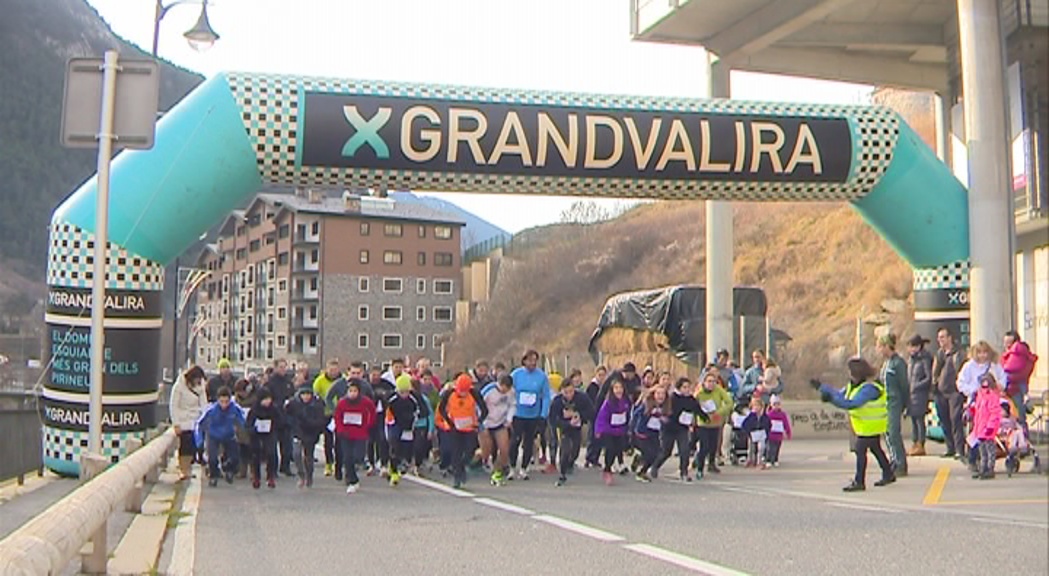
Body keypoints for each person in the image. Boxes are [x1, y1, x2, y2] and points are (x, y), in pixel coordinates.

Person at [814, 357, 896, 492]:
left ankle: (859, 481)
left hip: (870, 425)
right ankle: (888, 473)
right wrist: (822, 388)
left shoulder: (869, 388)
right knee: (875, 448)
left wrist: (831, 400)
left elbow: (852, 404)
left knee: (860, 450)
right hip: (868, 425)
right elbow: (841, 395)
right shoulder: (854, 386)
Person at [438, 374, 488, 489]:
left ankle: (462, 467)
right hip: (454, 428)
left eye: (465, 391)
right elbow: (441, 409)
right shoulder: (449, 394)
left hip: (470, 427)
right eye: (461, 391)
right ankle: (457, 476)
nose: (463, 394)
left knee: (470, 451)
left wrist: (478, 422)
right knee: (456, 452)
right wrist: (450, 422)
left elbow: (484, 410)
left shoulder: (474, 394)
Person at [509, 350, 552, 480]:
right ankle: (512, 467)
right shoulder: (516, 375)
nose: (532, 363)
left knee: (529, 442)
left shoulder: (542, 376)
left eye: (534, 360)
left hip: (533, 415)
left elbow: (546, 396)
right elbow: (509, 392)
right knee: (515, 441)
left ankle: (524, 468)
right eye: (529, 360)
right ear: (524, 361)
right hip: (518, 413)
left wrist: (543, 415)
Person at [195, 387, 246, 487]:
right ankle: (213, 476)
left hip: (229, 435)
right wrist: (199, 441)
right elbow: (199, 424)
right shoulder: (211, 410)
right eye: (221, 402)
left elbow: (243, 420)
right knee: (212, 458)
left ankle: (227, 468)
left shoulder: (235, 408)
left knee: (235, 457)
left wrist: (247, 430)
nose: (224, 405)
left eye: (226, 402)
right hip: (214, 435)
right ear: (218, 400)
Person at [549, 377, 595, 486]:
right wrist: (565, 423)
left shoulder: (582, 398)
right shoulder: (557, 401)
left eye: (571, 392)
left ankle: (570, 463)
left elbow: (591, 412)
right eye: (566, 392)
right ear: (561, 391)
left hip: (577, 428)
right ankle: (562, 474)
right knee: (565, 450)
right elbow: (552, 419)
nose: (569, 395)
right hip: (564, 429)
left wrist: (579, 416)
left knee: (575, 451)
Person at [653, 377, 701, 482]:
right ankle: (655, 466)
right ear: (679, 388)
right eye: (684, 387)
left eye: (688, 387)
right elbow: (665, 411)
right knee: (666, 451)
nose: (687, 389)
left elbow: (697, 410)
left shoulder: (691, 399)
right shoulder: (672, 398)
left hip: (682, 428)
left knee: (685, 450)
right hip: (669, 428)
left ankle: (683, 472)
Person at [876, 333, 910, 477]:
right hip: (885, 402)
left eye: (880, 346)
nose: (878, 350)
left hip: (895, 402)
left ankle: (901, 462)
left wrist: (905, 404)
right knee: (888, 434)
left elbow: (904, 385)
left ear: (886, 346)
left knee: (894, 432)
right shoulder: (886, 363)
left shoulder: (898, 363)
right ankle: (894, 459)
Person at [334, 380, 376, 493]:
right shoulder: (342, 403)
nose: (352, 393)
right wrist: (340, 429)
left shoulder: (365, 402)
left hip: (360, 434)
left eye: (355, 391)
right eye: (350, 391)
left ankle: (356, 468)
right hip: (346, 434)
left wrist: (368, 424)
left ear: (359, 392)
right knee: (347, 457)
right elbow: (337, 417)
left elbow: (372, 412)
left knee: (358, 456)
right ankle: (352, 480)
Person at [170, 365, 209, 481]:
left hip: (195, 420)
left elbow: (204, 404)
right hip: (183, 420)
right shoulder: (179, 386)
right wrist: (176, 423)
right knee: (185, 446)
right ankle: (183, 470)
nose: (199, 382)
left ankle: (188, 469)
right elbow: (174, 406)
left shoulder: (200, 387)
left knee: (193, 446)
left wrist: (203, 418)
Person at [933, 328, 967, 459]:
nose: (940, 340)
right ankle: (950, 447)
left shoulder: (958, 354)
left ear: (949, 338)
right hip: (941, 392)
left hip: (954, 392)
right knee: (944, 420)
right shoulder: (939, 354)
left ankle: (960, 449)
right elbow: (935, 371)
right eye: (939, 338)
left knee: (955, 420)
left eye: (942, 337)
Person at [284, 385, 327, 488]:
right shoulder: (293, 404)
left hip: (311, 433)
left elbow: (321, 420)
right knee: (296, 454)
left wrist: (314, 425)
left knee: (309, 457)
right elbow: (286, 415)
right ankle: (301, 474)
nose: (306, 397)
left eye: (308, 394)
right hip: (297, 432)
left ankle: (309, 476)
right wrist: (292, 424)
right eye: (303, 394)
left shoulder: (317, 405)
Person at [694, 371, 733, 477]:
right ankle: (699, 468)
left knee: (713, 446)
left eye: (714, 381)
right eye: (709, 381)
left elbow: (729, 403)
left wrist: (719, 412)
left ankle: (711, 464)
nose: (711, 384)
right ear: (704, 382)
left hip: (715, 422)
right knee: (704, 446)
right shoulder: (699, 392)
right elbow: (693, 406)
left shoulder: (718, 390)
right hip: (703, 423)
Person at [385, 374, 422, 486]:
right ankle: (394, 471)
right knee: (394, 446)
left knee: (406, 448)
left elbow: (418, 412)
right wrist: (391, 425)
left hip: (407, 427)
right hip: (394, 425)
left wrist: (412, 423)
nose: (404, 395)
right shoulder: (392, 400)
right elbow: (388, 415)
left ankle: (401, 464)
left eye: (406, 392)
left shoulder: (413, 400)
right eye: (402, 392)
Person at [594, 379, 632, 486]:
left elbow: (628, 416)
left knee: (618, 449)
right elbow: (601, 417)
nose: (618, 390)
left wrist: (628, 428)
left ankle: (614, 465)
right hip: (608, 430)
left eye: (620, 388)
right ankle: (607, 469)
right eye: (616, 388)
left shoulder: (626, 401)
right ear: (612, 390)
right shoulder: (608, 403)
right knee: (610, 449)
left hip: (620, 431)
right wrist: (598, 430)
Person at [481, 374, 515, 486]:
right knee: (487, 449)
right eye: (503, 389)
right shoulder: (489, 390)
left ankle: (499, 470)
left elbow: (512, 405)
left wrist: (509, 419)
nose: (505, 392)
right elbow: (478, 405)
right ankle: (482, 462)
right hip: (486, 422)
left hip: (500, 422)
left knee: (504, 448)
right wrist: (480, 422)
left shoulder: (511, 392)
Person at [245, 388, 283, 489]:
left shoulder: (273, 409)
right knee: (255, 455)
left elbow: (280, 421)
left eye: (269, 399)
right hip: (256, 435)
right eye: (265, 399)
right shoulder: (254, 410)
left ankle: (270, 476)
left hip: (269, 433)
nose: (267, 401)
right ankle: (256, 477)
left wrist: (272, 426)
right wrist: (253, 429)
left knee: (271, 453)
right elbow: (248, 424)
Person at [1001, 330, 1038, 433]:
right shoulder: (1013, 354)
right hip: (1015, 388)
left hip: (1015, 389)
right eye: (1005, 342)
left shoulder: (1017, 353)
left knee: (1018, 416)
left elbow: (1010, 369)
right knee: (1015, 416)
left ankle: (1022, 440)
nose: (1006, 345)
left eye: (1009, 343)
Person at [632, 385, 671, 482]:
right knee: (650, 454)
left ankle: (639, 459)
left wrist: (664, 420)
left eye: (663, 394)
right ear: (653, 395)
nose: (660, 396)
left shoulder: (665, 407)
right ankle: (642, 472)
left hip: (654, 433)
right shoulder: (647, 404)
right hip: (642, 433)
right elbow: (635, 414)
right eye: (658, 393)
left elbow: (667, 419)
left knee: (657, 454)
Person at [264, 358, 296, 477]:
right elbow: (266, 398)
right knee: (272, 447)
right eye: (281, 367)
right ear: (276, 367)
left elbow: (293, 396)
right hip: (274, 417)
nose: (283, 369)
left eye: (285, 367)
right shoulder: (270, 383)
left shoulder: (289, 382)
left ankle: (285, 467)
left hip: (287, 417)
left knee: (287, 445)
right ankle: (272, 469)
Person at [313, 359, 342, 478]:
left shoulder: (342, 380)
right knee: (328, 440)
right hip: (326, 414)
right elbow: (315, 395)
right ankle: (329, 463)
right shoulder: (320, 381)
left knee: (339, 441)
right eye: (331, 370)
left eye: (335, 370)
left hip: (339, 413)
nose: (333, 372)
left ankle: (338, 464)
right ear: (327, 369)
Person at [970, 373, 1003, 480]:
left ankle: (990, 469)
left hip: (988, 429)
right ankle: (983, 468)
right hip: (980, 428)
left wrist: (991, 426)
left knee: (990, 450)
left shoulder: (992, 396)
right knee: (982, 451)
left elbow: (995, 413)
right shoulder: (979, 395)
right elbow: (977, 412)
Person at [906, 335, 933, 456]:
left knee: (919, 420)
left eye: (913, 346)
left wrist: (916, 386)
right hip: (911, 395)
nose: (911, 349)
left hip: (920, 395)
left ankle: (921, 444)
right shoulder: (911, 360)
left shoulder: (925, 359)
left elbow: (928, 378)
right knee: (913, 420)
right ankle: (914, 442)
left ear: (918, 346)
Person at [368, 367, 393, 476]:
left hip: (382, 415)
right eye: (373, 375)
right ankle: (371, 464)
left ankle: (383, 464)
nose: (375, 377)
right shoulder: (365, 385)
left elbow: (392, 393)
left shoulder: (386, 384)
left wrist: (384, 395)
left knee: (383, 439)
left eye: (377, 375)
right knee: (369, 440)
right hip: (369, 415)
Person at [232, 378, 257, 479]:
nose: (241, 394)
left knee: (252, 451)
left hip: (252, 427)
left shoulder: (255, 399)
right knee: (242, 450)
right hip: (240, 428)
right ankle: (242, 471)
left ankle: (253, 472)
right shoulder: (235, 400)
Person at [741, 397, 771, 468]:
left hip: (761, 434)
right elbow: (744, 425)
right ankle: (750, 460)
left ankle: (759, 461)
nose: (756, 408)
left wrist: (766, 432)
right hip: (752, 434)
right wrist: (749, 432)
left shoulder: (764, 416)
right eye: (755, 406)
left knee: (761, 447)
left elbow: (768, 424)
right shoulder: (751, 416)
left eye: (758, 406)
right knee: (751, 448)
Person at [765, 395, 792, 467]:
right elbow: (765, 423)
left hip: (779, 435)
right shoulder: (769, 414)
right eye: (774, 405)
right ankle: (768, 460)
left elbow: (786, 424)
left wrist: (788, 433)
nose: (776, 406)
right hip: (771, 434)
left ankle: (775, 459)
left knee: (777, 448)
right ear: (771, 405)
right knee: (770, 448)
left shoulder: (782, 415)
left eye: (778, 404)